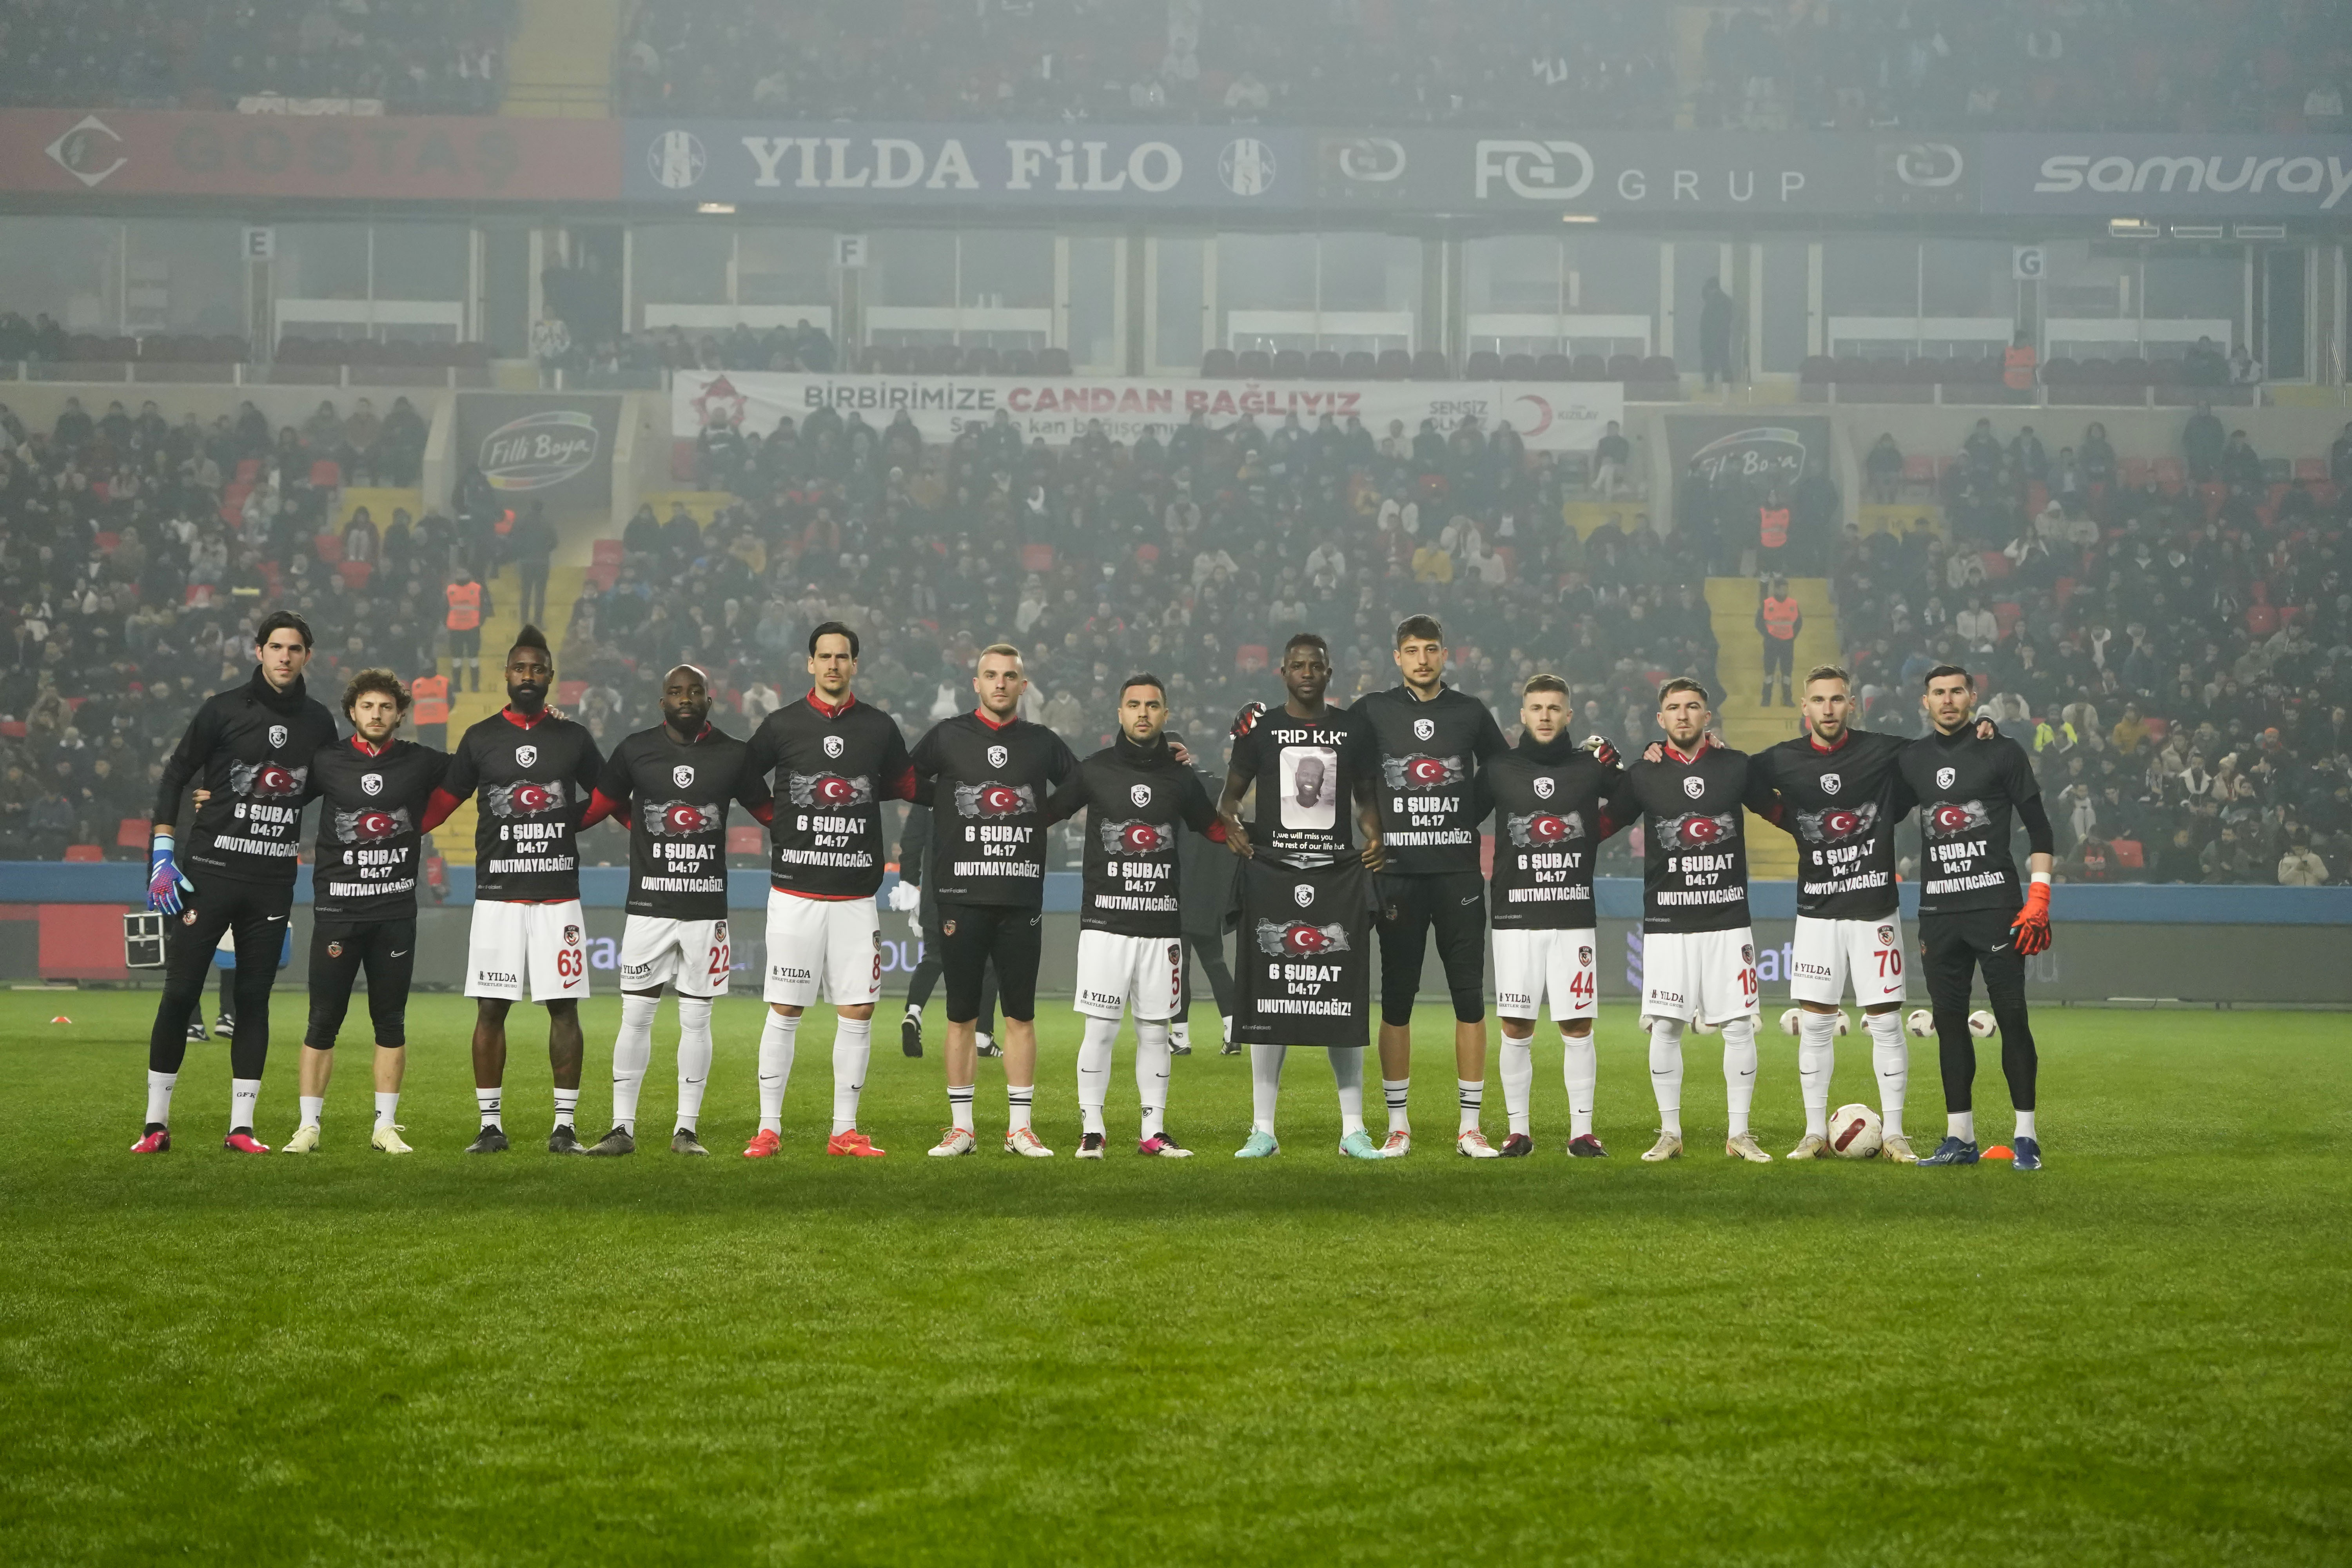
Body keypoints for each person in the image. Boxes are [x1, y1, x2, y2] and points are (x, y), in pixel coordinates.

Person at [1746, 665, 1992, 1164]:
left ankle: (1896, 1134)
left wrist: (1981, 732)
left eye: (1837, 699)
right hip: (1817, 912)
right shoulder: (1782, 760)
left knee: (1885, 1022)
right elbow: (1738, 780)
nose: (1829, 709)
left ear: (1851, 704)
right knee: (1815, 1025)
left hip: (1875, 909)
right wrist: (1788, 821)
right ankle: (1815, 1133)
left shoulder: (1883, 749)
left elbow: (1938, 752)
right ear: (1805, 706)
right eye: (1819, 700)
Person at [135, 612, 341, 1154]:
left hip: (272, 882)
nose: (285, 657)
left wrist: (244, 798)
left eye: (295, 649)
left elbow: (324, 786)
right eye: (276, 647)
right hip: (209, 875)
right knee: (180, 994)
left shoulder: (320, 723)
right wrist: (162, 851)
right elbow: (177, 773)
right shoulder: (222, 709)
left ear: (307, 657)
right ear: (258, 651)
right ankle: (155, 1124)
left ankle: (242, 1128)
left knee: (254, 1002)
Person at [421, 626, 605, 1154]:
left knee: (563, 1009)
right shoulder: (481, 738)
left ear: (551, 674)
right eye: (520, 668)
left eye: (538, 668)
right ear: (507, 674)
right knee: (491, 1010)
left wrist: (569, 821)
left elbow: (607, 795)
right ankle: (489, 1126)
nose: (529, 677)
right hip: (498, 895)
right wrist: (399, 824)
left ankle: (564, 1127)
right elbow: (444, 802)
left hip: (557, 895)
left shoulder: (573, 738)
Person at [579, 664, 774, 1158]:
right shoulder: (634, 749)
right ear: (660, 702)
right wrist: (539, 815)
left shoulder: (733, 754)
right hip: (649, 906)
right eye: (675, 692)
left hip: (706, 909)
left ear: (710, 700)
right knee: (636, 1016)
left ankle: (686, 1130)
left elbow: (771, 813)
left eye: (695, 691)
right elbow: (596, 807)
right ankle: (622, 1127)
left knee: (696, 1020)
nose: (685, 698)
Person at [740, 622, 917, 1158]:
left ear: (855, 664)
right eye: (825, 656)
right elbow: (745, 778)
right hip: (795, 891)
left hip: (856, 895)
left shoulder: (879, 728)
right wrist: (778, 821)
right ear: (810, 664)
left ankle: (845, 1131)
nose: (834, 665)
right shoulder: (782, 724)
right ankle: (769, 1128)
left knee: (858, 1010)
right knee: (786, 1008)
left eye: (843, 656)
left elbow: (906, 785)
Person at [1216, 632, 1387, 1160]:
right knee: (1267, 998)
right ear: (1283, 672)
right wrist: (1232, 825)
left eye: (1316, 665)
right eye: (1298, 665)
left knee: (1340, 995)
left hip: (1336, 876)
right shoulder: (1262, 728)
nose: (1308, 673)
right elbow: (1229, 797)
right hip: (1273, 875)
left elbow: (1364, 798)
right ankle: (1262, 1129)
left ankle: (1353, 1130)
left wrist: (1374, 834)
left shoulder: (1351, 728)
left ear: (1329, 672)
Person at [1041, 675, 1224, 1156]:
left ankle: (1152, 1131)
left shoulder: (1181, 777)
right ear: (1119, 714)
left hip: (1161, 926)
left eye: (1153, 705)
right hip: (1105, 925)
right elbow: (1046, 813)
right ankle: (1093, 1131)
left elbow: (1216, 827)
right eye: (1134, 705)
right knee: (1100, 1030)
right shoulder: (1095, 769)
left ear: (1166, 715)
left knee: (1155, 1032)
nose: (1143, 713)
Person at [907, 644, 1078, 1157]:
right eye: (991, 675)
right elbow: (904, 780)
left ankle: (1019, 1130)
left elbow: (1086, 784)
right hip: (960, 896)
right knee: (960, 1015)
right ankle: (962, 1129)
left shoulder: (1043, 743)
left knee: (1020, 1016)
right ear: (976, 684)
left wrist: (1039, 818)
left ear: (1023, 687)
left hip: (1020, 896)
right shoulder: (947, 737)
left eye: (1010, 676)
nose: (1000, 683)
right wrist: (945, 807)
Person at [1352, 615, 1510, 1157]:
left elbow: (1505, 769)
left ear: (1447, 655)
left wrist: (1469, 814)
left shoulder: (1470, 712)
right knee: (1397, 1001)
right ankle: (1399, 1126)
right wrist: (1369, 824)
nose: (1422, 659)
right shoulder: (1374, 709)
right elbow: (1331, 754)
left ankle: (1470, 1128)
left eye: (1432, 650)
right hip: (1396, 874)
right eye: (1412, 651)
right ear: (1397, 658)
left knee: (1469, 998)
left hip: (1458, 874)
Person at [282, 670, 448, 1154]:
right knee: (323, 1020)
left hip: (395, 910)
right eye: (367, 706)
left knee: (390, 1020)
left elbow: (480, 766)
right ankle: (308, 1127)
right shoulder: (327, 761)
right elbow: (279, 793)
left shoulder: (419, 761)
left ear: (400, 714)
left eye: (385, 707)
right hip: (338, 910)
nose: (376, 714)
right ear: (352, 712)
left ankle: (385, 1127)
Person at [1613, 678, 1779, 1163]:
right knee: (1665, 1027)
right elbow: (1605, 822)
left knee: (1739, 1027)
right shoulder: (1645, 772)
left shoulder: (1735, 766)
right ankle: (1670, 1132)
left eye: (1693, 707)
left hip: (1728, 919)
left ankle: (1740, 1135)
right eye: (1673, 709)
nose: (1683, 715)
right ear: (1660, 720)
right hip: (1668, 922)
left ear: (1708, 717)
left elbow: (1777, 810)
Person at [1898, 665, 2056, 1171]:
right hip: (1939, 912)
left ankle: (2026, 1137)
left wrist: (2039, 896)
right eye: (1938, 694)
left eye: (1956, 692)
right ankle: (1959, 1138)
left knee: (2012, 1017)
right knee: (1949, 1024)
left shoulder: (2002, 751)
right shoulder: (1913, 759)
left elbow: (2041, 829)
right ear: (1925, 701)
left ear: (1973, 697)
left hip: (1996, 908)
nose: (1948, 701)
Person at [1479, 674, 1623, 1157]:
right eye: (1536, 707)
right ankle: (1518, 1132)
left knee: (1577, 1026)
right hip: (1514, 916)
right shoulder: (1500, 768)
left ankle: (1581, 1133)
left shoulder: (1590, 766)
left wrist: (1592, 833)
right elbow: (1459, 814)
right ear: (1522, 715)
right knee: (1516, 1027)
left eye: (1554, 708)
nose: (1544, 715)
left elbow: (1639, 796)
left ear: (1569, 716)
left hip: (1572, 916)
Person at [891, 802, 1001, 1060]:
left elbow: (910, 846)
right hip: (976, 890)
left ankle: (914, 1013)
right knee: (988, 963)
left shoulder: (927, 796)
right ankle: (982, 1037)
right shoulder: (974, 786)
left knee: (934, 957)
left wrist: (909, 888)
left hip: (936, 895)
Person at [1171, 730, 1240, 1055]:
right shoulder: (1214, 787)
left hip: (1176, 893)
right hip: (1210, 894)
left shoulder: (1167, 789)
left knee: (1177, 968)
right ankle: (1233, 1031)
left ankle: (1180, 1037)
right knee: (1215, 963)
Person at [1757, 577, 1801, 707]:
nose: (1784, 591)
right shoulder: (1767, 604)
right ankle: (1766, 699)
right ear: (1776, 589)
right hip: (1771, 644)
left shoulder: (1793, 604)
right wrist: (1768, 636)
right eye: (1782, 588)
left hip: (1787, 644)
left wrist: (1792, 637)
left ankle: (1787, 699)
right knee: (1769, 674)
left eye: (1786, 588)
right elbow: (1759, 623)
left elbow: (1799, 623)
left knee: (1787, 674)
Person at [511, 502, 556, 626]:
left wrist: (521, 551)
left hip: (526, 562)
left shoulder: (522, 522)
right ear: (542, 509)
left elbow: (514, 538)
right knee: (540, 593)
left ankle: (524, 621)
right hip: (542, 562)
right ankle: (538, 621)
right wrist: (546, 550)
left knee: (526, 592)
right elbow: (555, 542)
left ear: (530, 508)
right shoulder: (547, 523)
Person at [445, 564, 488, 693]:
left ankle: (475, 686)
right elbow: (444, 609)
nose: (461, 575)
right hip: (455, 630)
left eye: (464, 572)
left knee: (474, 659)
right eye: (459, 572)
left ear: (469, 573)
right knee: (456, 660)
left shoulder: (477, 589)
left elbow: (484, 608)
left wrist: (479, 622)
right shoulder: (450, 590)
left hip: (472, 629)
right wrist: (447, 623)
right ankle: (457, 686)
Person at [1699, 276, 1734, 387]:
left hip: (1712, 336)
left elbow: (1710, 320)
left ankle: (1710, 386)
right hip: (1723, 336)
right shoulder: (1726, 300)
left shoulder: (1713, 301)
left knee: (1710, 362)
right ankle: (1728, 387)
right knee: (1724, 361)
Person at [1593, 420, 1633, 498]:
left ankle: (1598, 484)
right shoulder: (1603, 441)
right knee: (1609, 469)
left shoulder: (1623, 442)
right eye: (1609, 428)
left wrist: (1611, 460)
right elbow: (1598, 457)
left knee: (1609, 465)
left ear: (1618, 430)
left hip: (1619, 466)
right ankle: (1608, 494)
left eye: (1613, 428)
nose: (1611, 430)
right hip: (1605, 466)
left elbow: (1623, 456)